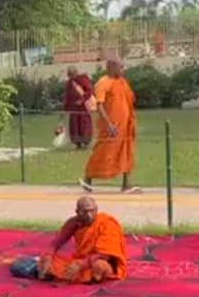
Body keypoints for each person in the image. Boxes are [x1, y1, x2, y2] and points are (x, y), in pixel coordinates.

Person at [15, 196, 127, 283]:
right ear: (77, 212)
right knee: (48, 264)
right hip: (80, 260)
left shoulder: (107, 223)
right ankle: (41, 268)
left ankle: (56, 273)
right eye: (85, 212)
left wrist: (81, 264)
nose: (89, 215)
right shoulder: (74, 223)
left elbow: (105, 254)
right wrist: (48, 256)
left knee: (100, 266)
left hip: (100, 262)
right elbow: (56, 243)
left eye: (92, 211)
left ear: (96, 210)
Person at [83, 58, 139, 194]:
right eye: (120, 67)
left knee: (126, 152)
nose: (123, 70)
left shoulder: (122, 82)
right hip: (111, 127)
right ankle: (87, 179)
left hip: (125, 125)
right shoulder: (103, 83)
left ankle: (126, 185)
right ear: (111, 67)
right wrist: (109, 124)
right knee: (103, 152)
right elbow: (99, 104)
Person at [63, 68, 95, 150]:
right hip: (73, 108)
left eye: (72, 74)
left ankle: (85, 143)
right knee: (75, 126)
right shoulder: (69, 83)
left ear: (76, 73)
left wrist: (82, 100)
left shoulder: (83, 79)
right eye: (69, 75)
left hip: (83, 108)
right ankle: (78, 144)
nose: (71, 76)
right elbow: (67, 96)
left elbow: (89, 90)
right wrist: (66, 106)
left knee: (84, 125)